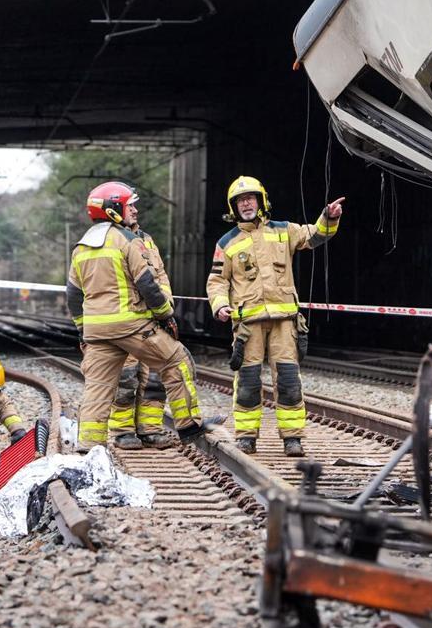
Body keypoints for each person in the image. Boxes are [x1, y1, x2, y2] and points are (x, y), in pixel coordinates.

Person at [67, 181, 217, 451]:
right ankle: (189, 427)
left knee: (98, 388)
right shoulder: (127, 240)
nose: (134, 209)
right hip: (131, 325)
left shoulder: (81, 247)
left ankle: (88, 447)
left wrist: (82, 332)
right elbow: (147, 283)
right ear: (114, 210)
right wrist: (165, 315)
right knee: (177, 361)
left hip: (97, 332)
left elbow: (73, 295)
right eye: (129, 205)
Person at [206, 176, 344, 457]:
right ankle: (246, 437)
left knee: (289, 380)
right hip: (248, 326)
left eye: (251, 198)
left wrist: (328, 217)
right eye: (240, 201)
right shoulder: (227, 243)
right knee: (248, 382)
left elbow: (314, 236)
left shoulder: (284, 231)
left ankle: (292, 438)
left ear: (261, 201)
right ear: (233, 207)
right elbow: (217, 281)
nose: (246, 204)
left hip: (284, 322)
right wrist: (219, 305)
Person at [107, 214, 179, 450]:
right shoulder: (109, 239)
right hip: (126, 323)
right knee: (126, 379)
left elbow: (160, 275)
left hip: (152, 322)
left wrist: (166, 304)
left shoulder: (146, 239)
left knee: (154, 379)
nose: (135, 211)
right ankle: (123, 432)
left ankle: (150, 430)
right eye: (130, 206)